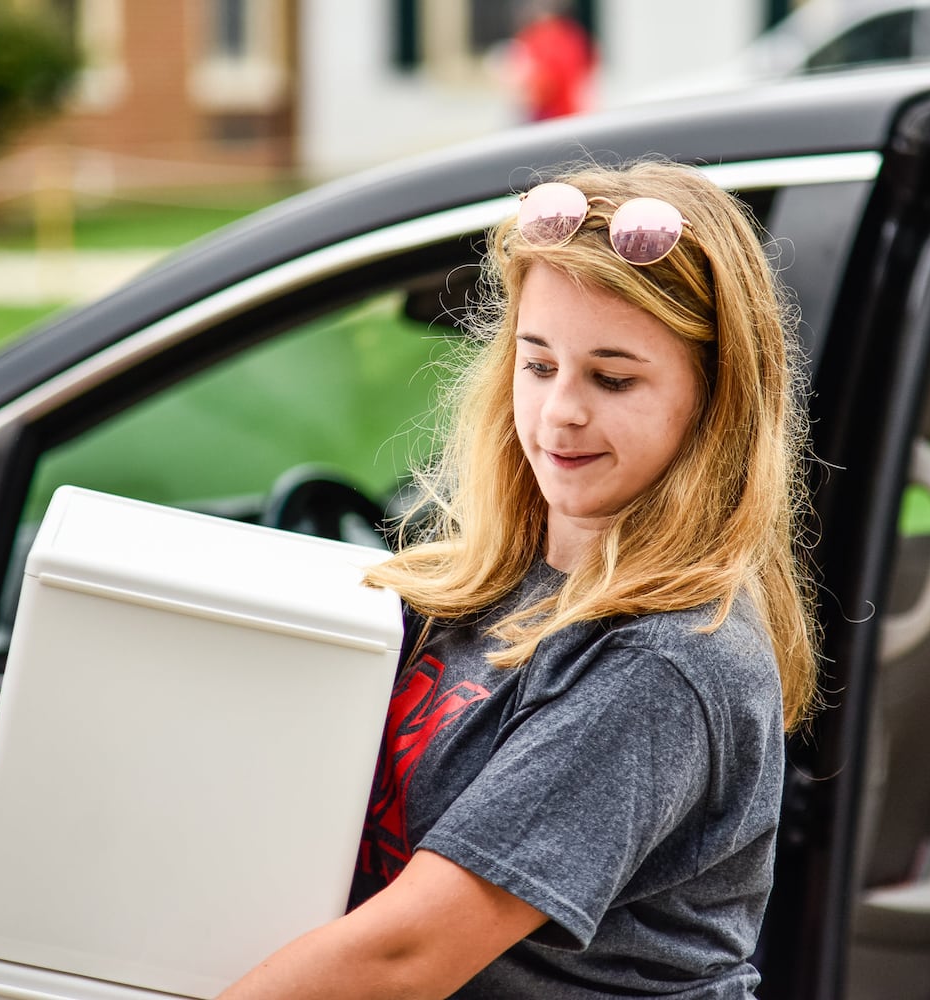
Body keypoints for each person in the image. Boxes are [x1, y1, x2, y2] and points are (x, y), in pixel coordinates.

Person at [219, 159, 821, 999]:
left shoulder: (663, 661)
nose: (560, 411)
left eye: (612, 378)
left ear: (714, 401)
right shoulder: (486, 582)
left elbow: (406, 956)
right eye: (538, 364)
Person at [506, 0, 596, 121]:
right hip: (568, 114)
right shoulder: (574, 36)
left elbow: (544, 86)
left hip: (551, 116)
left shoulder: (539, 37)